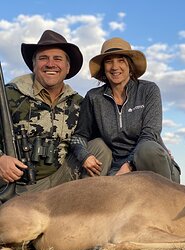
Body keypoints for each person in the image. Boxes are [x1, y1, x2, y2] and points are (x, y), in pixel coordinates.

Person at [0, 30, 108, 198]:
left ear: (67, 67)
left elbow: (104, 135)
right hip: (21, 185)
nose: (50, 64)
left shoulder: (79, 102)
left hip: (63, 181)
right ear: (34, 65)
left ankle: (84, 207)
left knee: (100, 148)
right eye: (43, 58)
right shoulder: (9, 94)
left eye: (57, 58)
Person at [70, 37, 181, 182]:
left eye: (121, 60)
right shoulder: (94, 97)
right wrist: (84, 155)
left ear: (130, 65)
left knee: (148, 149)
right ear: (103, 67)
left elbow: (150, 133)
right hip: (116, 169)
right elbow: (80, 136)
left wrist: (129, 165)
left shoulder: (149, 90)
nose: (115, 67)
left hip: (151, 163)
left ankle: (168, 199)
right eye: (109, 61)